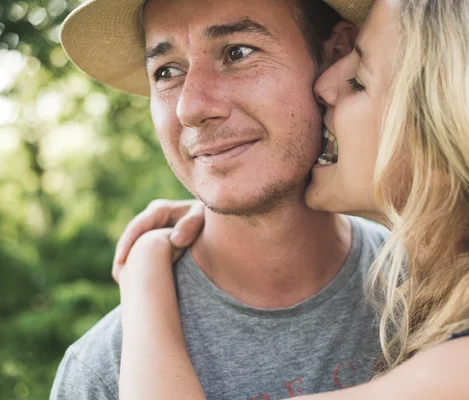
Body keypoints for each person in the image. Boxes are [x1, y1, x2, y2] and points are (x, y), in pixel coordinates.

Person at [115, 0, 469, 398]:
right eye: (166, 71)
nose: (326, 86)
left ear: (453, 133)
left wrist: (144, 275)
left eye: (360, 79)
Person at [51, 1, 391, 399]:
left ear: (334, 56)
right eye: (167, 72)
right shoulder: (103, 372)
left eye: (238, 52)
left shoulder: (443, 292)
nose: (191, 107)